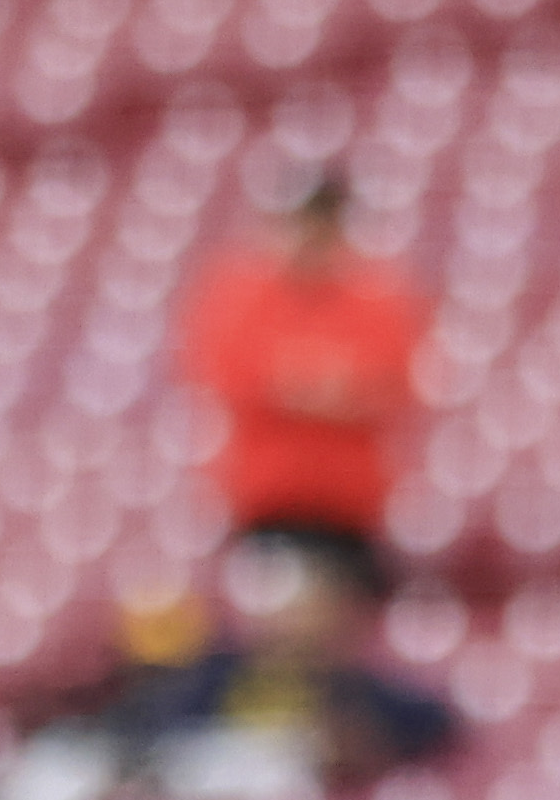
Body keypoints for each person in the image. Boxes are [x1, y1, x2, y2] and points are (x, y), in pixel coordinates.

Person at [175, 168, 430, 593]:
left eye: (322, 221)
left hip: (350, 507)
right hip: (268, 503)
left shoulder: (377, 296)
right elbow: (234, 378)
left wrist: (301, 385)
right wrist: (327, 388)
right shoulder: (241, 295)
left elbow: (390, 387)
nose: (310, 234)